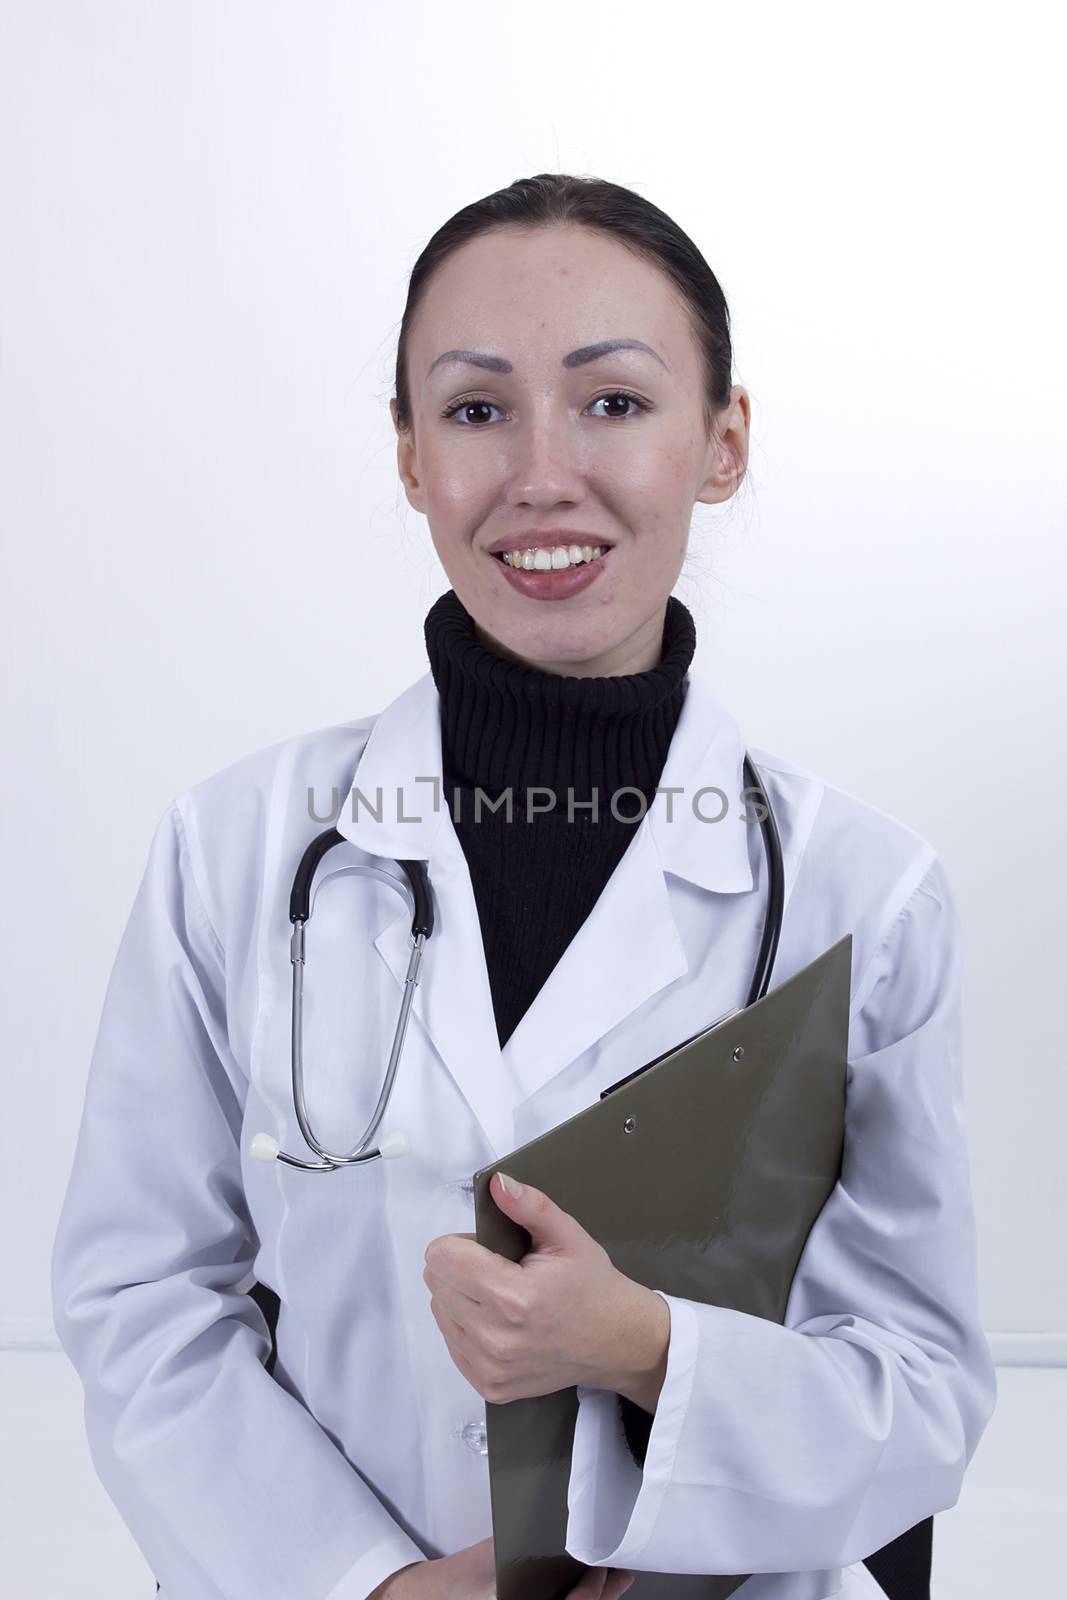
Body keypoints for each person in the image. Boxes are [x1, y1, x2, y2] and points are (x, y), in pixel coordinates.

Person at [50, 174, 996, 1600]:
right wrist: (360, 1584)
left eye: (614, 402)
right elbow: (140, 1297)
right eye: (478, 409)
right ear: (411, 454)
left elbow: (920, 1394)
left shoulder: (869, 895)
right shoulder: (232, 850)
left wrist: (643, 1349)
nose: (543, 475)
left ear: (723, 443)